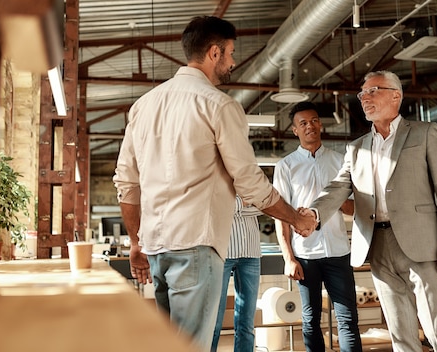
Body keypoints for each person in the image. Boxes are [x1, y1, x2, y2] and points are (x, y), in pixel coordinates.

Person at [112, 16, 316, 351]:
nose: (234, 62)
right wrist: (296, 218)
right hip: (196, 245)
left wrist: (136, 242)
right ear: (214, 53)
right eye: (231, 52)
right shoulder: (219, 105)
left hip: (157, 248)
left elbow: (127, 184)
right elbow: (249, 182)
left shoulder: (142, 107)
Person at [306, 70, 437, 352]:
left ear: (396, 95)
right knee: (399, 331)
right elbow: (338, 188)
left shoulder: (424, 133)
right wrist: (313, 214)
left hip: (423, 244)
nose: (364, 98)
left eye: (373, 91)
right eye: (361, 94)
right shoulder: (356, 148)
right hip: (377, 244)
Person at [273, 101, 362, 352]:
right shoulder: (285, 166)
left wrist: (335, 201)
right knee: (311, 320)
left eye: (314, 121)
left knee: (348, 319)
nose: (309, 126)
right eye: (303, 123)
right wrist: (288, 258)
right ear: (294, 130)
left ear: (321, 124)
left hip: (338, 253)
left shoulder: (341, 161)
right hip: (305, 256)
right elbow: (281, 216)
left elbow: (356, 208)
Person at [211, 195, 263, 352]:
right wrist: (246, 203)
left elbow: (263, 205)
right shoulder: (216, 175)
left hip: (251, 251)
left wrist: (234, 207)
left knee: (246, 323)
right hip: (222, 252)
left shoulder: (251, 177)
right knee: (213, 322)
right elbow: (213, 207)